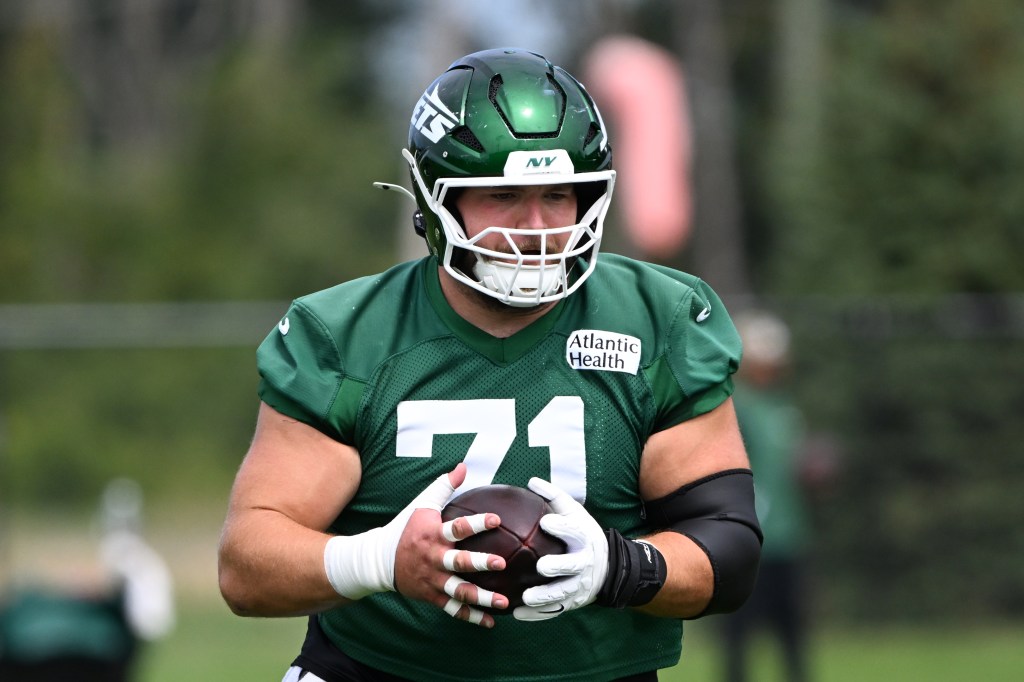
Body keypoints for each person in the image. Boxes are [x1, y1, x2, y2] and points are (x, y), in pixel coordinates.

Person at [218, 48, 762, 682]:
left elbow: (728, 547)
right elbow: (246, 568)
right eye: (503, 195)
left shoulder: (656, 319)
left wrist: (620, 567)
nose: (535, 227)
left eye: (559, 194)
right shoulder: (347, 336)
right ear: (432, 197)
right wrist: (381, 561)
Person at [718, 311, 829, 682]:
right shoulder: (738, 405)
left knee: (793, 633)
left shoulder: (784, 407)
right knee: (739, 636)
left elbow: (794, 464)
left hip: (787, 535)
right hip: (749, 537)